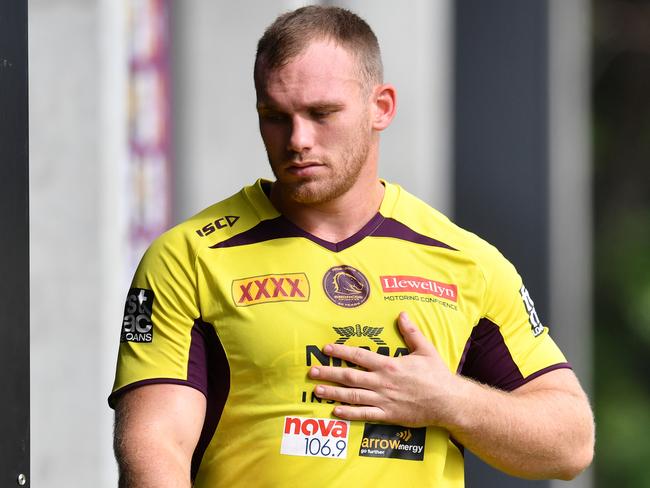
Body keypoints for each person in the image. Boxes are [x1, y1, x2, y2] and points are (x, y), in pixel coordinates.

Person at [109, 5, 594, 487]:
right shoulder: (188, 257)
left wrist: (447, 400)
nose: (297, 140)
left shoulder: (467, 263)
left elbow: (571, 443)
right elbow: (157, 448)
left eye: (322, 114)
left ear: (380, 107)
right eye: (275, 116)